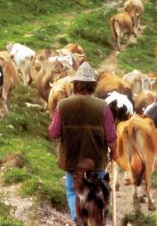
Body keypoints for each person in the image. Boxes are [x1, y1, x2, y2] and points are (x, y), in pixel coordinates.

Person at [48, 62, 117, 224]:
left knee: (73, 190)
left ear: (75, 84)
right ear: (92, 86)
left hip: (72, 159)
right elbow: (111, 137)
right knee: (98, 191)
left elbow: (54, 133)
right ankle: (97, 219)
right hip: (97, 159)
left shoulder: (63, 105)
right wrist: (114, 152)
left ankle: (78, 219)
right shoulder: (103, 107)